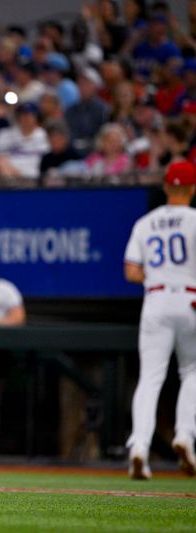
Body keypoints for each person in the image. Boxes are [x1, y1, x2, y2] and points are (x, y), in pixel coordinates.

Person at [123, 160, 196, 480]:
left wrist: (157, 277)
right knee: (192, 371)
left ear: (166, 187)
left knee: (150, 378)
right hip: (190, 298)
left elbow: (131, 271)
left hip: (155, 298)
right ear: (192, 189)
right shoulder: (195, 220)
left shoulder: (145, 223)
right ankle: (184, 435)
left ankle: (139, 447)